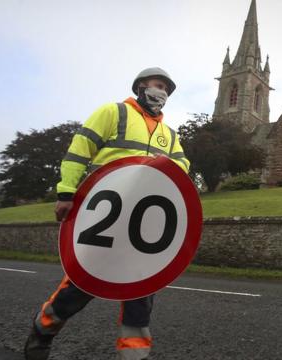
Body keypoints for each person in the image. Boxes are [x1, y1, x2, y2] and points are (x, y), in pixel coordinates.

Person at [24, 67, 190, 360]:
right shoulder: (113, 112)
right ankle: (43, 328)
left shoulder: (169, 133)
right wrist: (66, 193)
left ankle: (133, 355)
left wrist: (165, 170)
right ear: (141, 86)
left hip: (144, 220)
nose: (162, 92)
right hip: (106, 212)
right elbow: (79, 151)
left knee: (142, 287)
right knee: (82, 284)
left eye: (166, 88)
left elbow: (182, 166)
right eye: (157, 85)